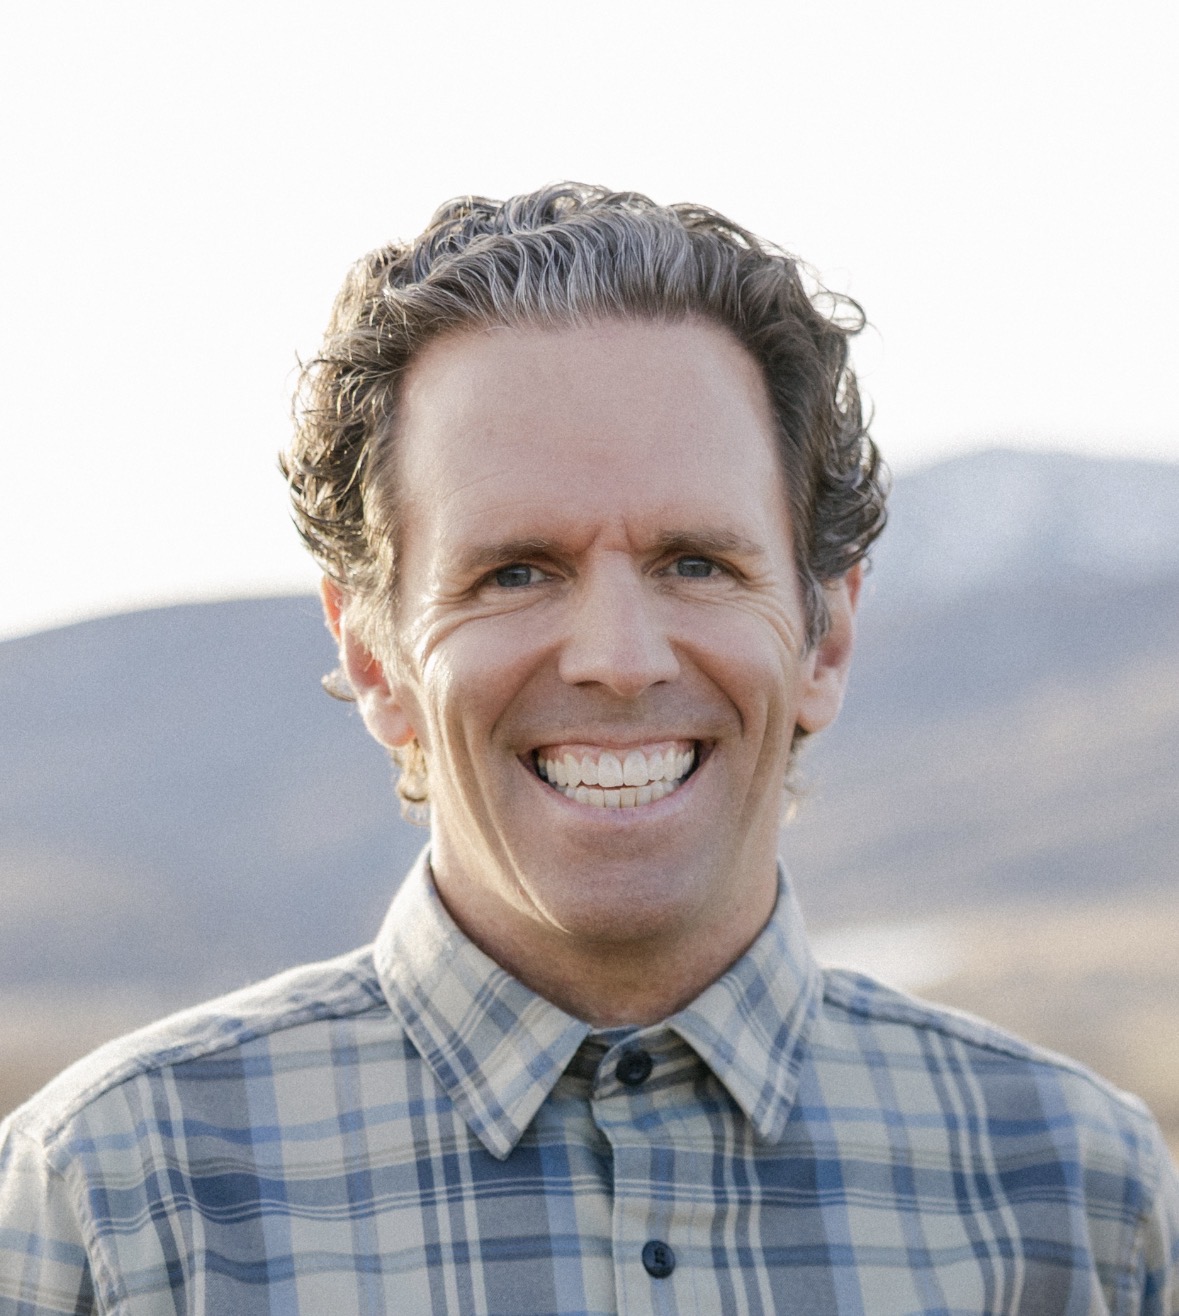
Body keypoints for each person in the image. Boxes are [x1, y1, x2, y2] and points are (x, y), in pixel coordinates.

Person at [1, 183, 1175, 1314]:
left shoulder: (1079, 1203)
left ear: (827, 635)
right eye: (515, 571)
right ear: (374, 656)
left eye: (696, 562)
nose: (619, 658)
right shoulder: (113, 1204)